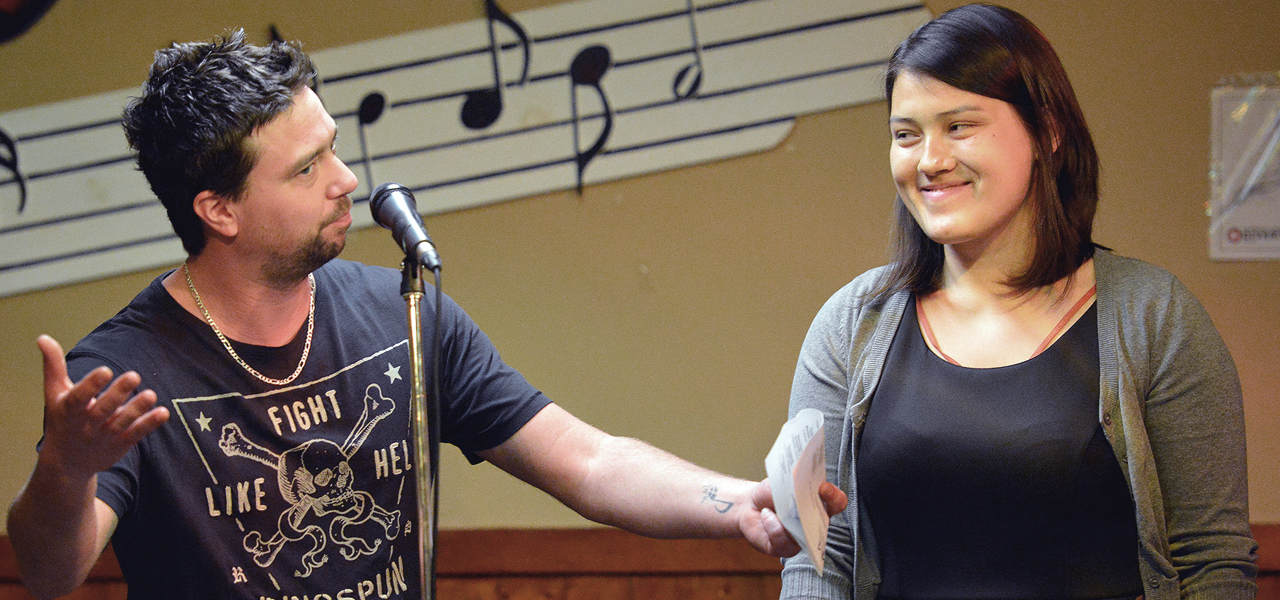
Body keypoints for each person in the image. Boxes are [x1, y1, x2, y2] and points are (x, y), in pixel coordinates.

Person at [5, 30, 846, 600]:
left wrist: (734, 501)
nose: (344, 179)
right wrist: (68, 470)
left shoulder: (400, 311)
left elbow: (587, 460)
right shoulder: (123, 373)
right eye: (306, 169)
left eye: (333, 145)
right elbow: (49, 573)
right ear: (218, 210)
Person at [780, 4, 1257, 600]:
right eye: (906, 135)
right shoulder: (851, 323)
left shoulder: (1153, 317)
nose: (929, 160)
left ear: (1048, 133)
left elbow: (1210, 561)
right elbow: (823, 551)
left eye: (959, 127)